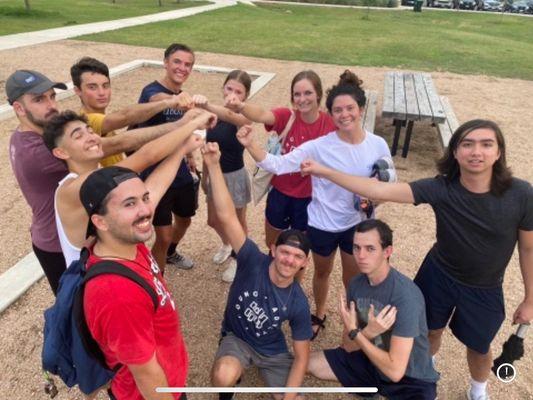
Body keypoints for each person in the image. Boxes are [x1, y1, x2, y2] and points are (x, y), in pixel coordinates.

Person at [301, 119, 533, 400]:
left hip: (485, 286)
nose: (476, 152)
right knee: (429, 332)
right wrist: (322, 170)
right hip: (439, 275)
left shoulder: (521, 195)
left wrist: (530, 299)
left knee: (480, 347)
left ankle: (478, 390)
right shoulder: (441, 188)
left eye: (487, 144)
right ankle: (424, 370)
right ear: (456, 152)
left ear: (498, 152)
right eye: (467, 144)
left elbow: (528, 249)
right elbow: (378, 191)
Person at [236, 70, 393, 340]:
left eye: (350, 109)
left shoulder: (377, 144)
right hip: (322, 223)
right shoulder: (319, 145)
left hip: (356, 225)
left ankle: (353, 326)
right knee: (322, 272)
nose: (344, 115)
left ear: (361, 109)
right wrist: (250, 145)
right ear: (330, 114)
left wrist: (375, 197)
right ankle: (319, 313)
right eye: (338, 110)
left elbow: (389, 179)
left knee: (353, 280)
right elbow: (278, 165)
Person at [203, 142, 312, 400]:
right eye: (285, 252)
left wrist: (287, 397)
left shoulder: (298, 302)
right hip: (236, 338)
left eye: (297, 256)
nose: (289, 260)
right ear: (273, 250)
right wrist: (213, 165)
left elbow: (302, 357)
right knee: (224, 375)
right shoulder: (252, 259)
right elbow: (227, 216)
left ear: (304, 263)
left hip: (272, 350)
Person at [43, 109, 215, 267]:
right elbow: (146, 156)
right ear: (61, 152)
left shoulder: (98, 177)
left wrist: (181, 150)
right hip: (98, 287)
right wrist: (193, 123)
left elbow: (152, 190)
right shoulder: (71, 189)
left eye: (90, 131)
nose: (92, 137)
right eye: (78, 136)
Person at [80, 166, 190, 400]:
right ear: (100, 221)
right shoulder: (117, 293)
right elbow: (147, 376)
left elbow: (157, 185)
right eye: (129, 203)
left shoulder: (124, 239)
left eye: (145, 198)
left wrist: (183, 145)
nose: (146, 210)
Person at [307, 219, 439, 399]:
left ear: (387, 251)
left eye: (370, 249)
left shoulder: (406, 297)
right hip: (369, 362)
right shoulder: (355, 285)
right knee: (308, 363)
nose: (361, 256)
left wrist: (358, 334)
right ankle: (368, 389)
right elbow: (348, 345)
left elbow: (395, 372)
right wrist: (368, 332)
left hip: (410, 379)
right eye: (356, 248)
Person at [225, 70, 336, 250]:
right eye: (297, 94)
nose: (302, 99)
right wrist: (241, 106)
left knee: (300, 248)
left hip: (310, 196)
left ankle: (296, 279)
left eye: (308, 93)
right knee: (273, 244)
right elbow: (262, 115)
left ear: (318, 94)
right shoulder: (288, 116)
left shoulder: (330, 124)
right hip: (281, 192)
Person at [133, 43, 199, 271]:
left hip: (179, 170)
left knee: (185, 220)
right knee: (162, 235)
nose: (182, 68)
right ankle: (157, 281)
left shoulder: (183, 96)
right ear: (166, 63)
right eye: (177, 62)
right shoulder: (151, 91)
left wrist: (190, 154)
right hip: (155, 172)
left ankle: (170, 252)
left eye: (188, 64)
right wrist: (173, 100)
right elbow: (156, 100)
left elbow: (183, 128)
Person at [7, 69, 68, 294]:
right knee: (74, 312)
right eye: (39, 99)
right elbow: (105, 148)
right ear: (19, 108)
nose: (51, 105)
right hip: (58, 244)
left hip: (47, 236)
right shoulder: (39, 152)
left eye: (52, 96)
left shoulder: (21, 136)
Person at [70, 56, 194, 166]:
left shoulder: (100, 118)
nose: (102, 93)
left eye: (105, 85)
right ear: (77, 91)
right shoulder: (87, 121)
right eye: (92, 87)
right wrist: (170, 103)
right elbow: (125, 117)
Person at [193, 69, 252, 283]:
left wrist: (206, 105)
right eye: (229, 89)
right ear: (223, 88)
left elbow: (234, 116)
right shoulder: (213, 116)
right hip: (215, 172)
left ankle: (239, 258)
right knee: (212, 220)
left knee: (238, 221)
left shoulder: (243, 117)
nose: (232, 95)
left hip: (234, 176)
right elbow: (209, 145)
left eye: (238, 91)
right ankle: (228, 244)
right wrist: (205, 175)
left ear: (245, 96)